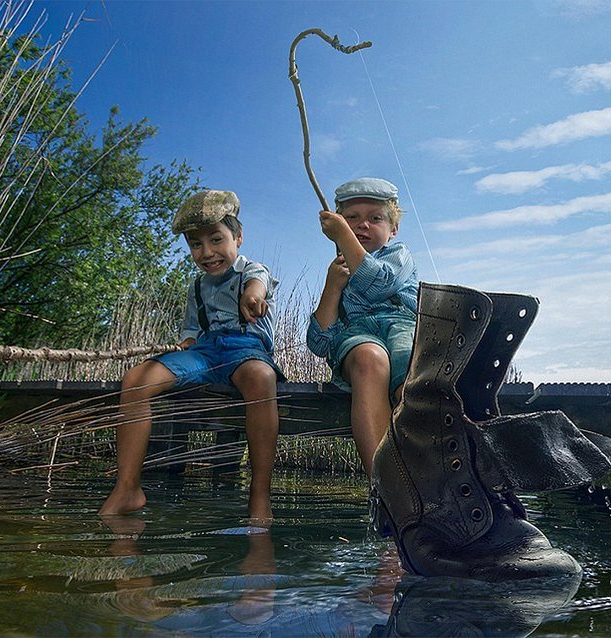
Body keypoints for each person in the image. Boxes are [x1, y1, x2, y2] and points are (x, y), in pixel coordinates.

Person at [99, 190, 284, 523]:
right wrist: (185, 342)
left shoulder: (252, 271)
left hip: (245, 350)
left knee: (262, 378)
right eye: (196, 245)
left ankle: (260, 493)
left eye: (216, 240)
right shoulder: (196, 287)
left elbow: (260, 285)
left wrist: (253, 297)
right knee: (135, 379)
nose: (207, 253)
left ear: (238, 237)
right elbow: (191, 330)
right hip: (204, 353)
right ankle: (127, 487)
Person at [305, 178, 418, 478]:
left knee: (412, 367)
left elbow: (379, 283)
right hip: (358, 334)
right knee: (369, 357)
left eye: (375, 218)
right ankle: (382, 486)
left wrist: (343, 234)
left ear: (393, 230)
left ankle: (426, 472)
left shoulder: (399, 254)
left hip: (402, 326)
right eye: (351, 218)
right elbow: (319, 342)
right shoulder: (339, 268)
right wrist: (332, 288)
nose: (361, 225)